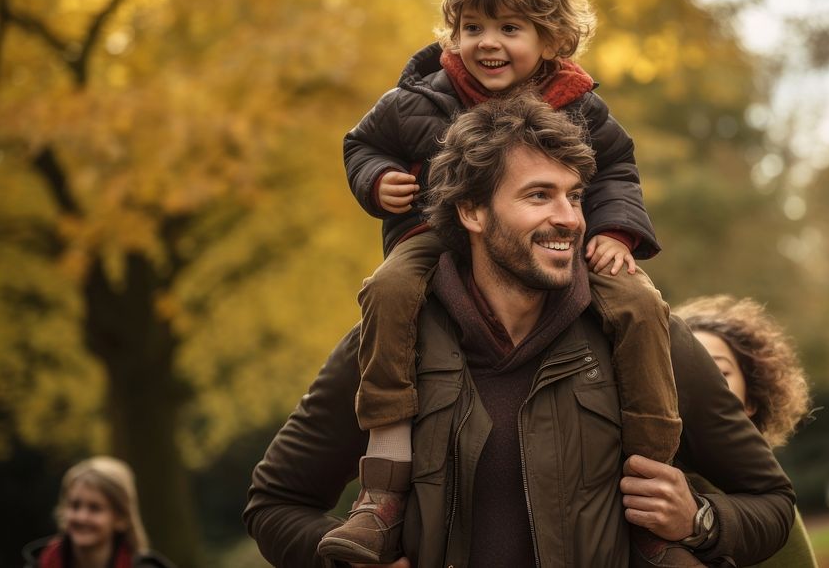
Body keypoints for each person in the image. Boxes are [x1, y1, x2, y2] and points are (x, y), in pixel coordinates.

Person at [245, 94, 796, 567]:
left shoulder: (643, 334)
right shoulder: (390, 340)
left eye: (574, 195)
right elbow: (274, 504)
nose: (570, 218)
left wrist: (697, 518)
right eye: (539, 196)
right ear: (472, 212)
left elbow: (771, 502)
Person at [330, 0, 681, 564]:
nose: (487, 43)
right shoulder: (420, 97)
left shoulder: (578, 107)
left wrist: (611, 231)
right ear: (452, 32)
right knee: (385, 290)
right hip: (433, 238)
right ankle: (380, 495)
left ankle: (653, 481)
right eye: (471, 26)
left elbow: (618, 169)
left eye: (510, 28)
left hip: (547, 252)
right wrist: (377, 180)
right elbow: (361, 144)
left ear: (552, 38)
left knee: (639, 304)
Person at [674, 295, 817, 568]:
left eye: (719, 373)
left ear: (751, 400)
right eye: (685, 374)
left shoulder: (768, 504)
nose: (704, 387)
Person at [21, 456, 175, 568]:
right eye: (75, 506)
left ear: (121, 518)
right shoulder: (40, 564)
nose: (82, 517)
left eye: (95, 508)